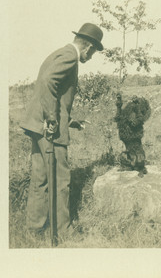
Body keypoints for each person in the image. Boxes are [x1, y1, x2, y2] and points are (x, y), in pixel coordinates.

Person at [20, 23, 104, 238]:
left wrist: (69, 120)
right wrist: (52, 118)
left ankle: (35, 229)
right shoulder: (70, 56)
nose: (91, 56)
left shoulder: (59, 52)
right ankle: (64, 232)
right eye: (93, 52)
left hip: (36, 124)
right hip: (48, 128)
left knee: (40, 179)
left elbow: (54, 93)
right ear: (88, 47)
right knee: (60, 180)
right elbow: (49, 82)